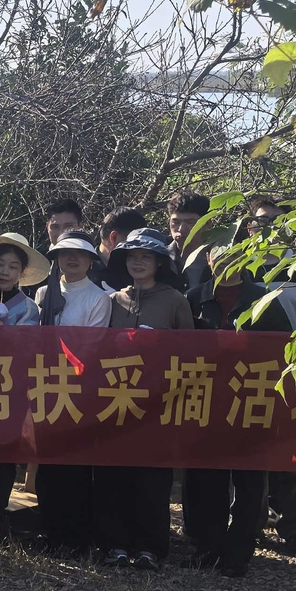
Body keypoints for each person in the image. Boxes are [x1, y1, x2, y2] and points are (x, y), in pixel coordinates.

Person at [184, 247, 291, 576]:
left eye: (234, 256)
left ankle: (239, 553)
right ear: (209, 260)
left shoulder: (263, 298)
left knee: (249, 480)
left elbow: (284, 345)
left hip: (251, 395)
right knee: (209, 478)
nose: (226, 263)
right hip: (208, 397)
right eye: (219, 256)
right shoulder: (195, 297)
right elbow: (179, 345)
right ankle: (209, 547)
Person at [101, 227, 195, 570]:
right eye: (132, 257)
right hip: (116, 399)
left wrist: (159, 346)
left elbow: (191, 351)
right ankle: (115, 544)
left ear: (159, 263)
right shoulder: (113, 300)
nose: (138, 262)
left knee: (153, 478)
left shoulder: (175, 300)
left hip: (159, 401)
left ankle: (150, 548)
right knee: (115, 476)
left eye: (146, 257)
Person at [36, 232, 113, 557]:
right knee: (47, 465)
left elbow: (91, 347)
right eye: (65, 253)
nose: (72, 259)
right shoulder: (43, 292)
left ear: (90, 261)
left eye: (79, 254)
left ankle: (77, 538)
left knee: (76, 467)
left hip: (79, 390)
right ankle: (51, 533)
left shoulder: (99, 298)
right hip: (44, 387)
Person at [0, 233, 48, 545]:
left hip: (11, 386)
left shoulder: (29, 308)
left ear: (22, 272)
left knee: (4, 452)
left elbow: (26, 347)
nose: (4, 271)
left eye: (13, 266)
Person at [97, 207, 148, 280]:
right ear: (113, 238)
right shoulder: (83, 270)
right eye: (133, 242)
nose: (138, 248)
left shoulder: (138, 270)